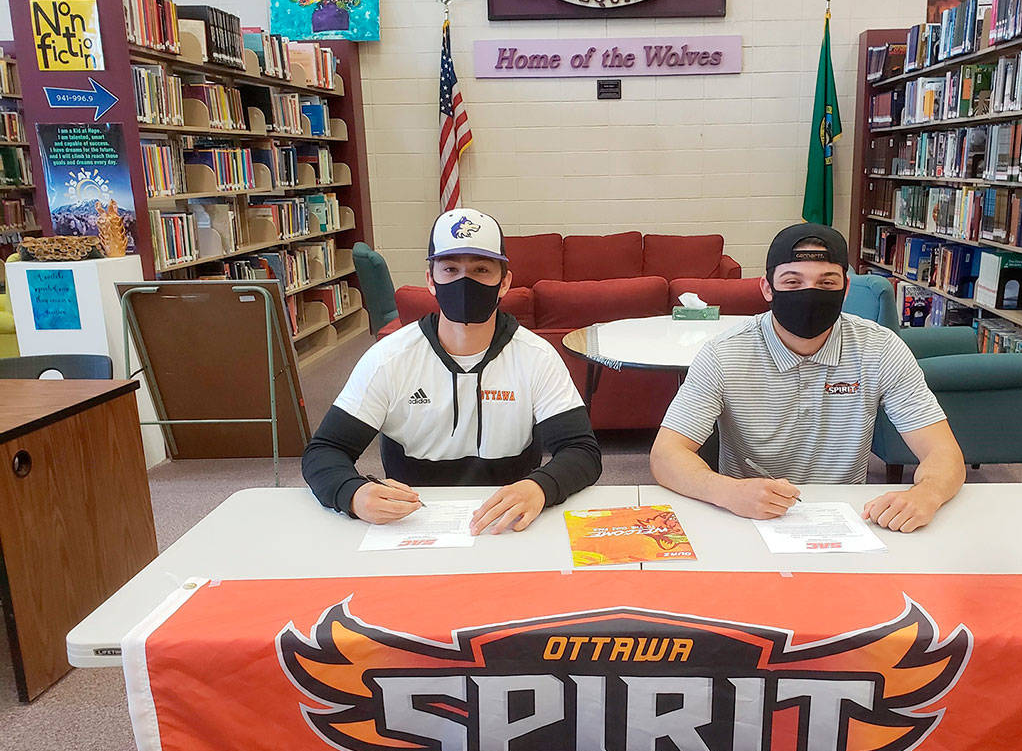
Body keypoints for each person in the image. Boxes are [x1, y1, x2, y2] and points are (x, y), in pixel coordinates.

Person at [303, 207, 602, 533]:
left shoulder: (537, 357)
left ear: (504, 282)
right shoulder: (388, 359)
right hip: (412, 524)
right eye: (450, 269)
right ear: (431, 279)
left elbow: (582, 451)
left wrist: (540, 487)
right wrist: (354, 494)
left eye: (481, 270)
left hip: (507, 523)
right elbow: (325, 451)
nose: (465, 281)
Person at [650, 222, 964, 532]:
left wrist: (927, 494)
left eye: (826, 283)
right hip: (746, 517)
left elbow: (943, 452)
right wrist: (725, 490)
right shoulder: (723, 354)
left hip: (848, 520)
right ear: (767, 288)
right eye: (792, 282)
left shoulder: (881, 349)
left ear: (845, 288)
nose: (810, 294)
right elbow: (666, 455)